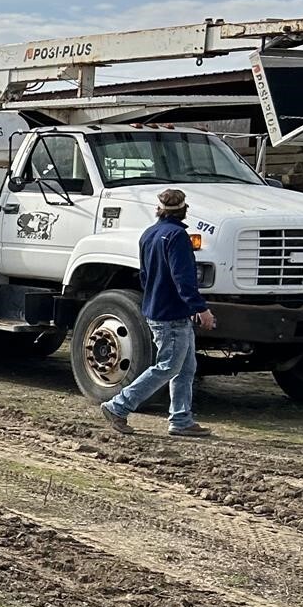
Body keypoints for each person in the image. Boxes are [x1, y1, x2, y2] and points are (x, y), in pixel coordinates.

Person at [100, 187, 216, 438]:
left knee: (185, 368)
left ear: (159, 209)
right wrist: (200, 308)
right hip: (173, 314)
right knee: (168, 367)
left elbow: (144, 275)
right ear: (185, 210)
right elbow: (183, 279)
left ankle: (181, 419)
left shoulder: (149, 234)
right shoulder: (178, 237)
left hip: (156, 308)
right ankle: (118, 406)